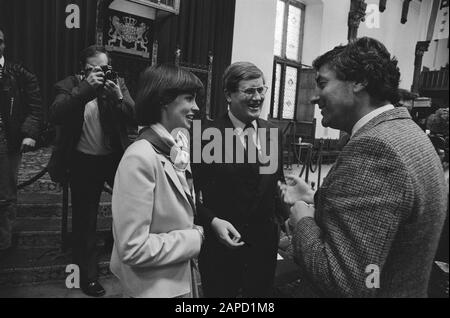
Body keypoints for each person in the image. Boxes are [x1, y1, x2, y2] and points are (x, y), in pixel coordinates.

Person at [279, 37, 448, 297]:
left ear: (358, 81)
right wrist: (317, 198)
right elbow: (386, 222)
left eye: (323, 83)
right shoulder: (405, 131)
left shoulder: (375, 147)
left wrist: (302, 219)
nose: (314, 97)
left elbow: (345, 280)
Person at [110, 64, 205, 298]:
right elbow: (133, 248)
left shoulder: (175, 147)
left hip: (175, 279)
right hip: (153, 288)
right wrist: (195, 238)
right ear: (164, 100)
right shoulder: (139, 157)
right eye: (189, 99)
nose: (197, 107)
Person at [48, 45, 135, 297]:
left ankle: (116, 243)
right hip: (82, 162)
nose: (100, 74)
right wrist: (85, 88)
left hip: (113, 159)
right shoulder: (69, 85)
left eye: (104, 69)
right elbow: (55, 114)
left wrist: (119, 96)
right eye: (92, 70)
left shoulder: (117, 84)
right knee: (85, 220)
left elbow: (136, 115)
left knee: (132, 205)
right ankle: (87, 275)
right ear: (82, 70)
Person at [193, 62, 285, 297]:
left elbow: (276, 187)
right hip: (220, 248)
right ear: (228, 94)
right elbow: (189, 196)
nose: (257, 97)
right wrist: (212, 221)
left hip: (263, 249)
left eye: (261, 90)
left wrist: (286, 216)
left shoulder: (271, 132)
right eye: (249, 91)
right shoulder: (204, 134)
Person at [0, 28, 43, 253]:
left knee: (5, 195)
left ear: (3, 44)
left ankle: (3, 244)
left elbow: (36, 108)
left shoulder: (19, 73)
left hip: (6, 139)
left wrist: (29, 133)